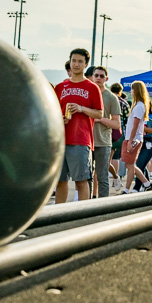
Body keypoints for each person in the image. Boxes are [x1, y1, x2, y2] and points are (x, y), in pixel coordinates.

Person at [55, 48, 103, 203]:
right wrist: (60, 119)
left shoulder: (92, 87)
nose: (76, 64)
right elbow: (52, 113)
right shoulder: (60, 87)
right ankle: (58, 213)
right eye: (73, 61)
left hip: (81, 140)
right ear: (69, 62)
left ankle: (83, 214)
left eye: (80, 61)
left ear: (86, 64)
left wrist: (82, 109)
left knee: (81, 181)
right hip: (60, 140)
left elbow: (99, 114)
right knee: (60, 181)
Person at [89, 66, 121, 199]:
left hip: (103, 142)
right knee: (86, 177)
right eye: (96, 75)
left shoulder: (111, 97)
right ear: (92, 77)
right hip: (87, 141)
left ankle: (103, 205)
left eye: (101, 76)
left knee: (102, 177)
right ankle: (85, 204)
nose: (98, 78)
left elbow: (117, 124)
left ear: (106, 79)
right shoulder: (88, 93)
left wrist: (99, 119)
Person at [121, 80, 152, 193]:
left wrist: (130, 141)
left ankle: (127, 189)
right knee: (129, 164)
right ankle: (147, 183)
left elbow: (135, 125)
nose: (131, 91)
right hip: (133, 138)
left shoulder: (139, 106)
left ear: (136, 90)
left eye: (132, 89)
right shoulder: (139, 105)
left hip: (134, 138)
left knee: (130, 165)